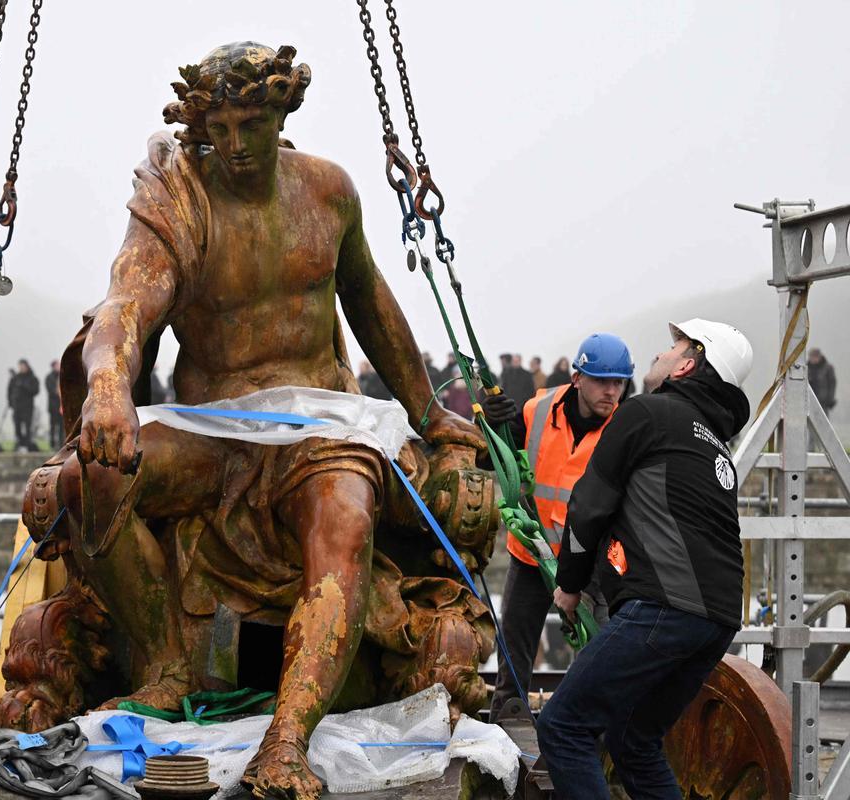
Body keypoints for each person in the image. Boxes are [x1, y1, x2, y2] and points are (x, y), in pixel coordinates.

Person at [42, 42, 485, 800]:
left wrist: (428, 412)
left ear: (283, 114)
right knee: (89, 479)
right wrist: (108, 387)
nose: (238, 144)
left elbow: (370, 301)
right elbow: (124, 307)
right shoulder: (178, 199)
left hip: (321, 421)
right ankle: (166, 665)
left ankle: (287, 739)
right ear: (199, 122)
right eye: (222, 125)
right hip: (214, 426)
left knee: (343, 516)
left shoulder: (328, 193)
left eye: (255, 122)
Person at [536, 319, 753, 798]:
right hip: (716, 621)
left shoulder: (648, 414)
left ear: (688, 363)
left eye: (672, 347)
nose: (660, 354)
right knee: (634, 741)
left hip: (662, 608)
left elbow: (588, 505)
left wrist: (569, 586)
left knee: (563, 726)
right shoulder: (716, 446)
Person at [480, 333, 634, 720]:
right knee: (514, 652)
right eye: (603, 381)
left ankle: (586, 737)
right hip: (533, 554)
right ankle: (508, 723)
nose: (612, 392)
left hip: (591, 566)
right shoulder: (537, 410)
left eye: (620, 382)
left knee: (598, 656)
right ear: (578, 378)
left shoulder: (627, 430)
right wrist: (488, 422)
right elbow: (490, 459)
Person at [8, 360, 40, 451]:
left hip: (27, 407)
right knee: (17, 426)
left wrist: (24, 385)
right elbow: (10, 390)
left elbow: (35, 391)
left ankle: (27, 444)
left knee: (27, 427)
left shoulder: (32, 378)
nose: (21, 368)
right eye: (20, 366)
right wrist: (10, 402)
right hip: (17, 406)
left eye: (23, 366)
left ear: (27, 366)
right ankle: (20, 443)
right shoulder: (15, 378)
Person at [809, 348, 837, 414]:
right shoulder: (806, 368)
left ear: (819, 357)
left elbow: (832, 384)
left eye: (815, 356)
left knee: (822, 421)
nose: (814, 359)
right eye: (812, 356)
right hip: (810, 401)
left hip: (823, 402)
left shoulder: (828, 368)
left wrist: (830, 399)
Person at [46, 360, 63, 448]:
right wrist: (57, 392)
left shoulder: (63, 376)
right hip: (53, 406)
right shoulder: (49, 377)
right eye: (57, 365)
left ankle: (61, 443)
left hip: (62, 406)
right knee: (53, 425)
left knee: (61, 426)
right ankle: (52, 443)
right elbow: (50, 390)